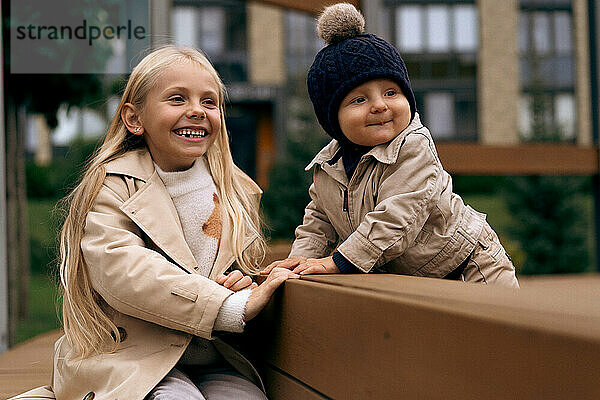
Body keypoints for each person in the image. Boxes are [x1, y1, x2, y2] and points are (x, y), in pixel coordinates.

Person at [48, 46, 297, 400]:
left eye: (209, 102)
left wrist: (241, 281)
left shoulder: (234, 190)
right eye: (177, 99)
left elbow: (238, 267)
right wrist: (226, 306)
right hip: (131, 356)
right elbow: (123, 270)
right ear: (135, 119)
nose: (196, 111)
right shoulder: (112, 186)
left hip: (215, 355)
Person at [263, 3, 518, 287]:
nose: (380, 105)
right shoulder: (329, 165)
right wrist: (300, 263)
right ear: (332, 119)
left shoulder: (414, 148)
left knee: (496, 327)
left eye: (391, 92)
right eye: (359, 100)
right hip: (417, 278)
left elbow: (397, 218)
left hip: (470, 266)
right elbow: (319, 222)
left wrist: (337, 261)